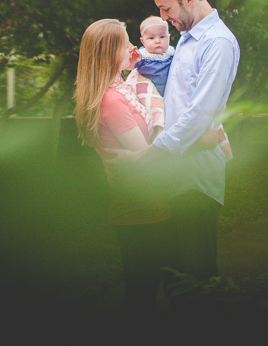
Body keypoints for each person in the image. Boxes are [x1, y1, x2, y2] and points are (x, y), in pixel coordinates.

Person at [107, 0, 240, 307]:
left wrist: (149, 156)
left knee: (197, 285)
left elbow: (200, 113)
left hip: (195, 180)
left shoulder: (217, 43)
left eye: (166, 8)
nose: (164, 18)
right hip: (174, 175)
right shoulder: (185, 42)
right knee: (173, 282)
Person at [74, 19, 170, 317]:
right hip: (138, 207)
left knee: (145, 287)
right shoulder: (112, 100)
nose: (133, 47)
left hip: (141, 204)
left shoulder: (121, 90)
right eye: (125, 43)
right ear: (108, 53)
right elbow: (144, 156)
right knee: (142, 292)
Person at [127, 15, 233, 161]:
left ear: (169, 37)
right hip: (154, 97)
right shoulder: (142, 56)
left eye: (162, 36)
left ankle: (223, 145)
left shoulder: (173, 53)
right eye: (151, 38)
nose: (157, 41)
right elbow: (130, 68)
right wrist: (132, 61)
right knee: (158, 124)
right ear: (142, 41)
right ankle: (158, 148)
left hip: (170, 98)